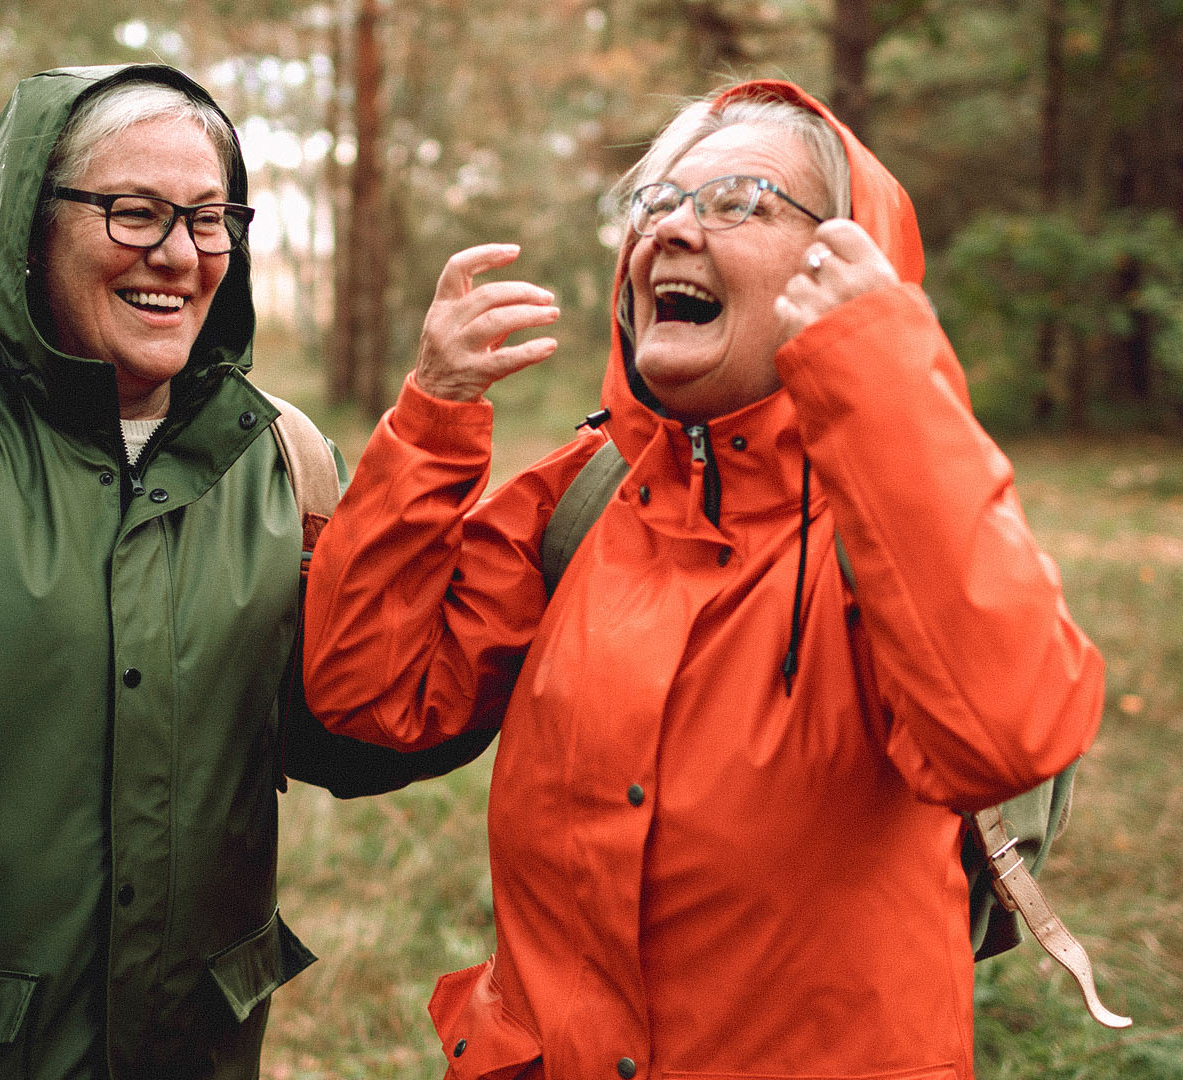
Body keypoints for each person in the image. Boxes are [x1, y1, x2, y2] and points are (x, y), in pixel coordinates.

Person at [0, 63, 485, 1080]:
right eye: (133, 212)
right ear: (33, 223)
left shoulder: (285, 462)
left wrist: (530, 599)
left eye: (207, 217)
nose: (178, 254)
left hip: (197, 1048)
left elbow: (343, 734)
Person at [301, 79, 1107, 1080]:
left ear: (845, 263)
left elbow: (1005, 735)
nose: (673, 229)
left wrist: (883, 375)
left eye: (737, 201)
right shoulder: (584, 497)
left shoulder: (905, 515)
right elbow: (372, 693)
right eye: (654, 203)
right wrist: (434, 414)